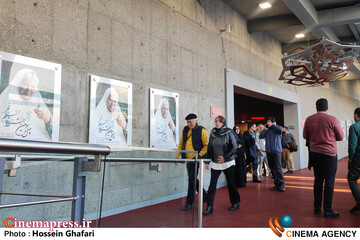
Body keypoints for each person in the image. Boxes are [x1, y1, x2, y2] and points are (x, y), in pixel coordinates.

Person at [303, 98, 343, 218]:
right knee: (329, 180)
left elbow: (305, 135)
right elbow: (340, 137)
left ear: (316, 107)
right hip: (329, 154)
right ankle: (328, 210)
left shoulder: (309, 119)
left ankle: (316, 208)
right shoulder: (332, 119)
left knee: (318, 180)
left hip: (315, 153)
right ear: (327, 107)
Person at [0, 68, 52, 141]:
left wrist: (48, 122)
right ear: (17, 85)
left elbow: (54, 136)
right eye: (25, 84)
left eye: (33, 86)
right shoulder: (4, 105)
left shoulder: (39, 108)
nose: (29, 89)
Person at [204, 115, 240, 215]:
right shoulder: (212, 132)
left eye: (219, 121)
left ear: (223, 122)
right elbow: (209, 148)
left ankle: (235, 202)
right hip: (215, 163)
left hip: (228, 162)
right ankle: (209, 206)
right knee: (212, 185)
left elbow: (234, 147)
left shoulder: (229, 132)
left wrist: (225, 157)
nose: (217, 123)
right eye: (216, 121)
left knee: (231, 183)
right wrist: (207, 161)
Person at [176, 113, 208, 211]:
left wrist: (199, 155)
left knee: (191, 180)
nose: (189, 124)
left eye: (191, 122)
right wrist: (177, 155)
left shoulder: (201, 130)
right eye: (188, 122)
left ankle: (189, 202)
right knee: (193, 178)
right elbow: (181, 142)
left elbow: (206, 145)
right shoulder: (185, 129)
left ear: (196, 121)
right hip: (187, 158)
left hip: (196, 159)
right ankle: (205, 195)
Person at [259, 117, 286, 192]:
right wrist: (265, 129)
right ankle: (276, 184)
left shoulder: (277, 128)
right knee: (272, 169)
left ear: (273, 122)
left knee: (278, 168)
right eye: (267, 121)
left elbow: (281, 130)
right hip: (269, 152)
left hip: (276, 152)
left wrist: (274, 125)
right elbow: (261, 136)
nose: (267, 123)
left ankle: (282, 185)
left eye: (268, 121)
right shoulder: (267, 130)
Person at [347, 107, 360, 214]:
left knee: (352, 179)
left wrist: (351, 158)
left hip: (357, 159)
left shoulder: (354, 127)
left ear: (356, 115)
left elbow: (352, 145)